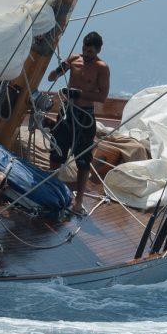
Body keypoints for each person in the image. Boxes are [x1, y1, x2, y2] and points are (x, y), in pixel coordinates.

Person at [46, 31, 111, 216]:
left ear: (98, 51)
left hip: (84, 116)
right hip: (66, 113)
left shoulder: (102, 68)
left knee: (83, 160)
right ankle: (51, 191)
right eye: (84, 49)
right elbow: (51, 78)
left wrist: (79, 94)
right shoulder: (74, 59)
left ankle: (79, 201)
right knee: (56, 152)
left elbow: (102, 96)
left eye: (90, 51)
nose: (86, 54)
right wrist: (59, 70)